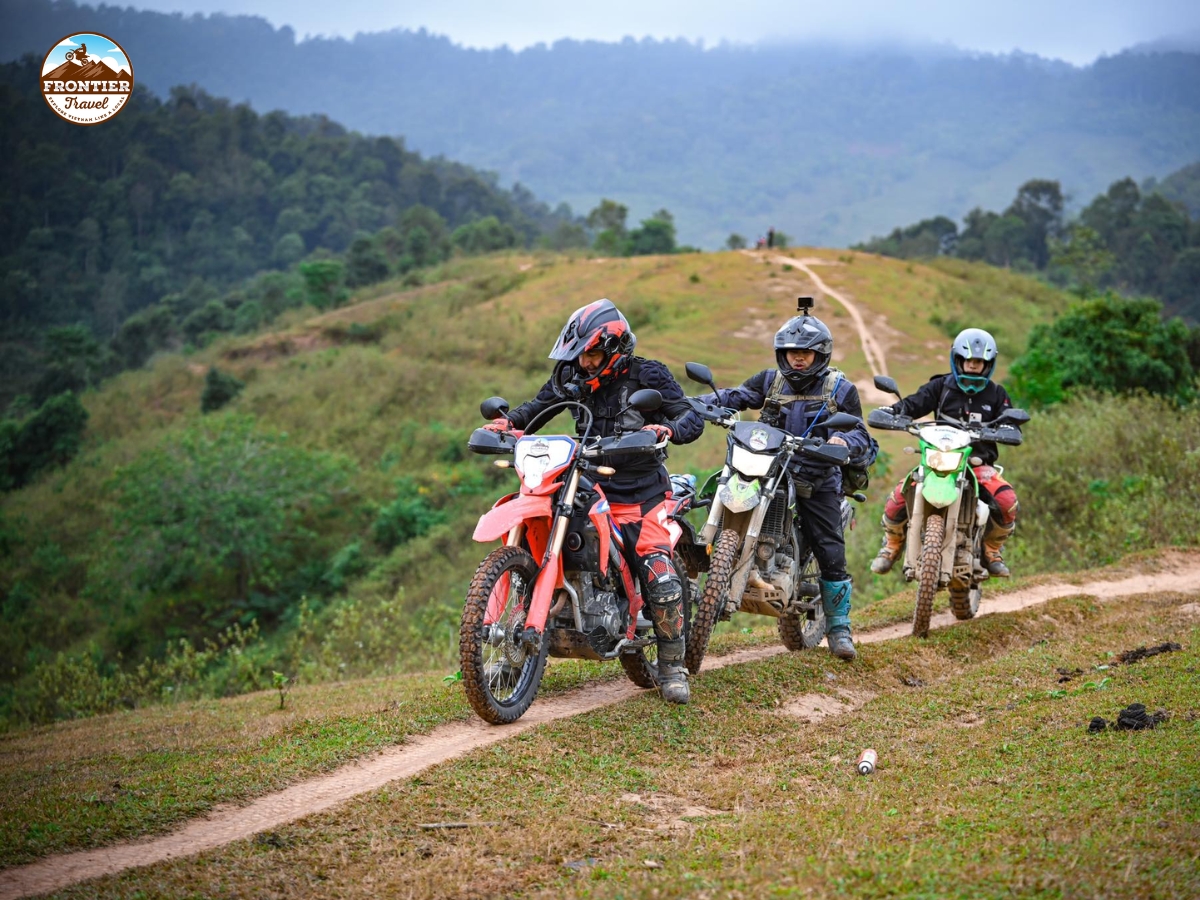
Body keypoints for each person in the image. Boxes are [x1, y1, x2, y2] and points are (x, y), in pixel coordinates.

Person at [483, 299, 703, 703]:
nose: (585, 363)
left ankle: (673, 667)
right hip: (585, 483)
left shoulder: (647, 374)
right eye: (580, 355)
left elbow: (691, 418)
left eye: (593, 354)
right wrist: (508, 423)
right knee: (545, 541)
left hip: (639, 492)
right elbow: (537, 409)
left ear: (616, 351)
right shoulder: (570, 374)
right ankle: (515, 655)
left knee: (658, 570)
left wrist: (665, 430)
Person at [700, 306, 873, 660]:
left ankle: (839, 629)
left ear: (819, 355)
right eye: (791, 352)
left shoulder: (839, 388)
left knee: (830, 549)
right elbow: (735, 397)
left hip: (816, 477)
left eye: (804, 353)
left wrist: (844, 443)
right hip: (766, 470)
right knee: (712, 495)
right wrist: (702, 404)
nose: (797, 359)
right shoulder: (770, 380)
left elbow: (861, 435)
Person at [871, 328, 1021, 578]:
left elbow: (1010, 422)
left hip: (976, 464)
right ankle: (892, 545)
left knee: (1006, 500)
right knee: (897, 497)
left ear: (989, 364)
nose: (974, 366)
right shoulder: (940, 386)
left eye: (980, 362)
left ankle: (992, 550)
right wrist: (892, 411)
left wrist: (1009, 428)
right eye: (969, 360)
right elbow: (913, 404)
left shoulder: (996, 394)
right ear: (958, 360)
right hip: (937, 459)